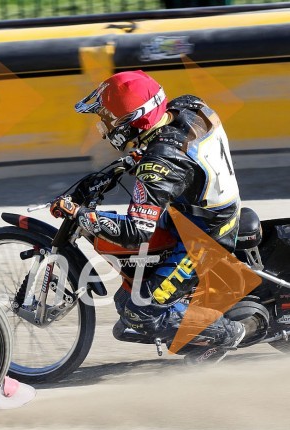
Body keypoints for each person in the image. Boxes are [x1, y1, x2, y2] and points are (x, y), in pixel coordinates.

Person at [51, 70, 245, 363]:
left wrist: (84, 216)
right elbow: (171, 150)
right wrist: (126, 164)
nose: (103, 125)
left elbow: (136, 232)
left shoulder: (160, 162)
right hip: (197, 212)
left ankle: (231, 332)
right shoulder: (187, 108)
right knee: (124, 294)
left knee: (138, 312)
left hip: (204, 236)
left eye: (107, 119)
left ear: (132, 120)